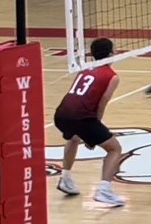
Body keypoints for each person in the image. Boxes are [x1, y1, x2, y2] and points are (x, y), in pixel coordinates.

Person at [53, 38, 126, 206]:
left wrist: (89, 134)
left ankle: (65, 178)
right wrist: (94, 131)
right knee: (114, 149)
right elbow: (102, 103)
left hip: (61, 114)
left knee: (73, 138)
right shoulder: (112, 76)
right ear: (110, 54)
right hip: (81, 118)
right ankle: (104, 191)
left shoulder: (84, 69)